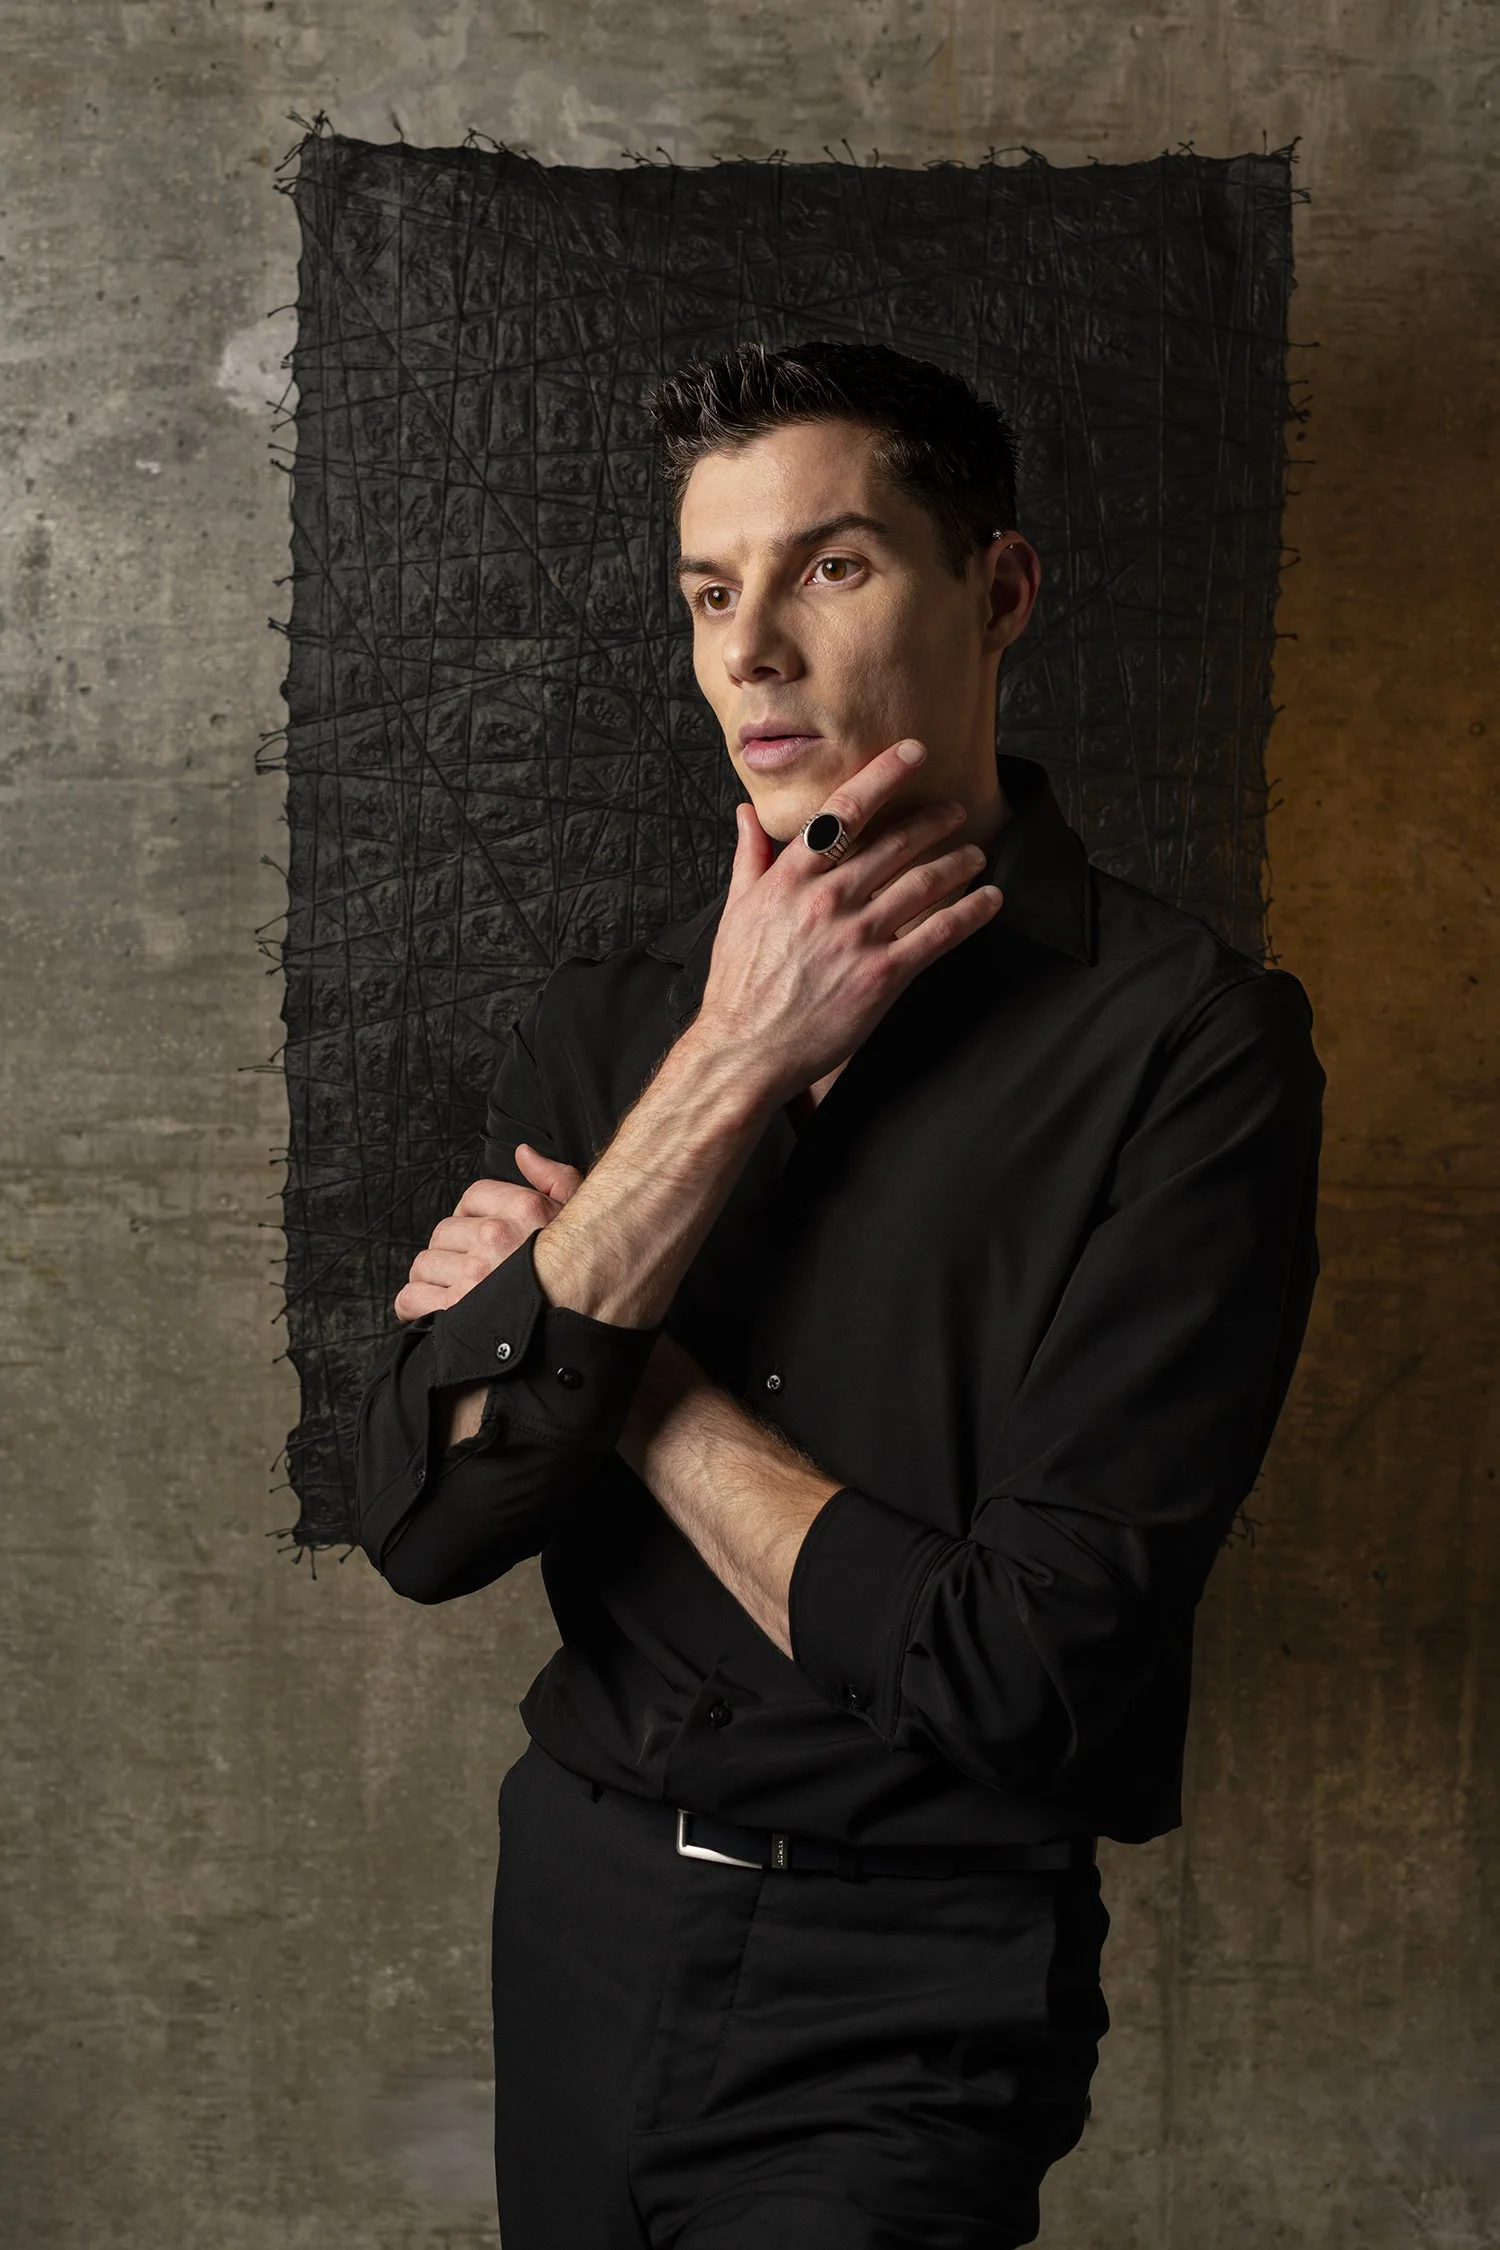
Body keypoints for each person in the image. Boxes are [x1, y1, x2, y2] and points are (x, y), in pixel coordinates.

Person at [352, 339, 1323, 2249]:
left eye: (834, 566)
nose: (752, 650)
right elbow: (427, 1510)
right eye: (712, 591)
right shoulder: (617, 1019)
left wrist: (623, 1367)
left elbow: (1024, 1667)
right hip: (578, 1917)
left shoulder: (1191, 1051)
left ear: (1003, 590)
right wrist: (728, 1062)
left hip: (914, 1980)